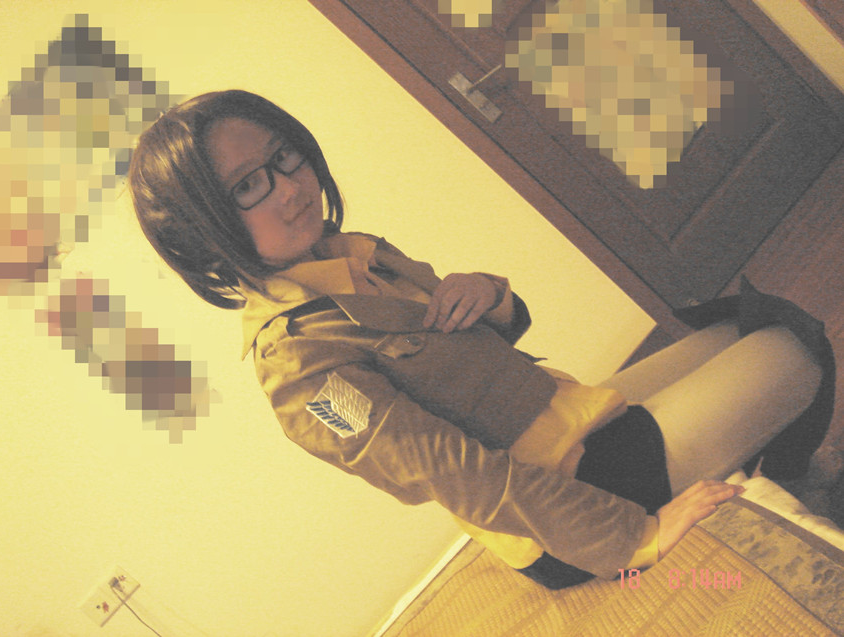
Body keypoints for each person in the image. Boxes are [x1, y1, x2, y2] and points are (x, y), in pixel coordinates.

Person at [128, 89, 828, 588]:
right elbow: (459, 475)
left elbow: (490, 346)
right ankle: (790, 480)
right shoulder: (300, 368)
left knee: (750, 320)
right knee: (797, 348)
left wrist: (490, 293)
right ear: (205, 233)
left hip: (572, 416)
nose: (288, 188)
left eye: (284, 157)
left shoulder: (352, 253)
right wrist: (634, 537)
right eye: (247, 187)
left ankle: (775, 475)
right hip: (571, 499)